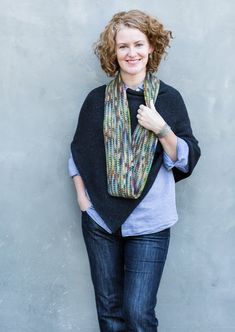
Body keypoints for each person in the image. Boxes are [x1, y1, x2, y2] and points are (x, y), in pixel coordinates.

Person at [68, 9, 201, 332]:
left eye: (138, 44)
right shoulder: (97, 99)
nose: (132, 53)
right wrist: (84, 203)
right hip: (101, 222)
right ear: (113, 52)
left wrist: (162, 129)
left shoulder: (168, 99)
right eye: (123, 46)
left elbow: (186, 158)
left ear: (151, 47)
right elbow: (78, 154)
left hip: (150, 223)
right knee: (110, 314)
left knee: (139, 315)